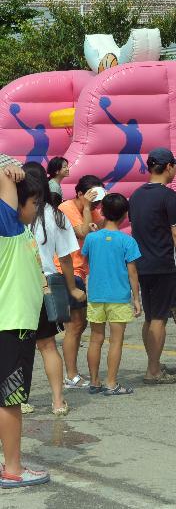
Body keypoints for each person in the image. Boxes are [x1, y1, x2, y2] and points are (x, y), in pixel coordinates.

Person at [0, 161, 51, 489]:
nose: (36, 210)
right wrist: (7, 170)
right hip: (12, 325)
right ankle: (14, 469)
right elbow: (6, 186)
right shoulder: (7, 228)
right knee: (10, 400)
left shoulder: (15, 232)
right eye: (34, 204)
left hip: (12, 323)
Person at [21, 162, 83, 417]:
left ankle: (20, 399)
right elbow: (67, 257)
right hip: (45, 286)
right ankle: (58, 401)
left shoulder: (13, 213)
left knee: (17, 347)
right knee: (47, 345)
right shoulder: (56, 215)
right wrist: (72, 287)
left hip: (18, 286)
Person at [129, 147, 176, 385]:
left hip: (142, 264)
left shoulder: (136, 195)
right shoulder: (168, 196)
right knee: (159, 319)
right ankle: (153, 370)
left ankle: (152, 363)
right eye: (174, 165)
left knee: (150, 317)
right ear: (168, 167)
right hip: (164, 264)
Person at [81, 193, 141, 396]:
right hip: (119, 296)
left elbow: (87, 261)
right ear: (125, 215)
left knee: (96, 338)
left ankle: (95, 381)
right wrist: (136, 298)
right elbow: (132, 272)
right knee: (116, 340)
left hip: (96, 295)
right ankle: (111, 383)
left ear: (102, 212)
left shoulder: (91, 238)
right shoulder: (128, 241)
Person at [56, 174, 106, 389]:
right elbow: (83, 231)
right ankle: (71, 375)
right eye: (92, 199)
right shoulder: (66, 208)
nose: (95, 204)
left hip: (79, 271)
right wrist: (87, 208)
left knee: (79, 323)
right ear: (79, 194)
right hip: (65, 270)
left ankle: (72, 373)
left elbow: (103, 225)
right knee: (75, 325)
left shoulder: (92, 208)